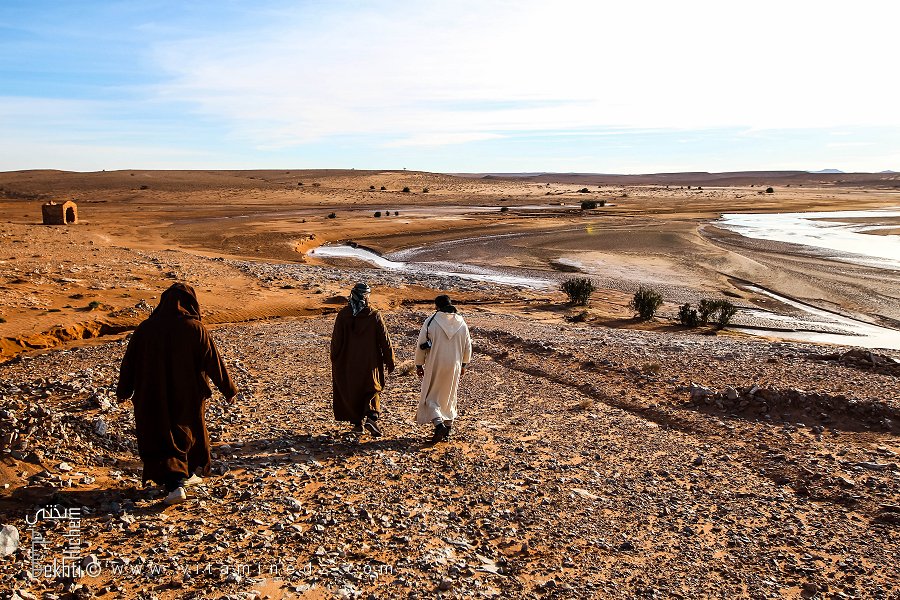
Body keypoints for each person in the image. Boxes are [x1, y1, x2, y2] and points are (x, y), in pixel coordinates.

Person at [116, 283, 237, 506]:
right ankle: (177, 484)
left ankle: (177, 480)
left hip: (151, 394)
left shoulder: (145, 329)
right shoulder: (195, 328)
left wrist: (124, 391)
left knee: (159, 432)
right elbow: (214, 362)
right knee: (186, 430)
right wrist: (228, 389)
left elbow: (129, 363)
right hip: (187, 395)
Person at [330, 283, 396, 437]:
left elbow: (336, 341)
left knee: (352, 391)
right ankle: (372, 418)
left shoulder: (343, 314)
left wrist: (335, 359)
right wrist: (390, 360)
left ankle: (357, 424)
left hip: (347, 363)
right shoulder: (373, 314)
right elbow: (385, 340)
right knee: (372, 388)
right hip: (369, 362)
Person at [415, 295, 472, 443]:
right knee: (450, 395)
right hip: (455, 365)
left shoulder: (431, 321)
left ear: (437, 306)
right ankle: (448, 428)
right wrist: (464, 364)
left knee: (430, 397)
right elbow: (468, 346)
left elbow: (421, 343)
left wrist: (418, 364)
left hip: (435, 363)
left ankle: (439, 425)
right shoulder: (462, 322)